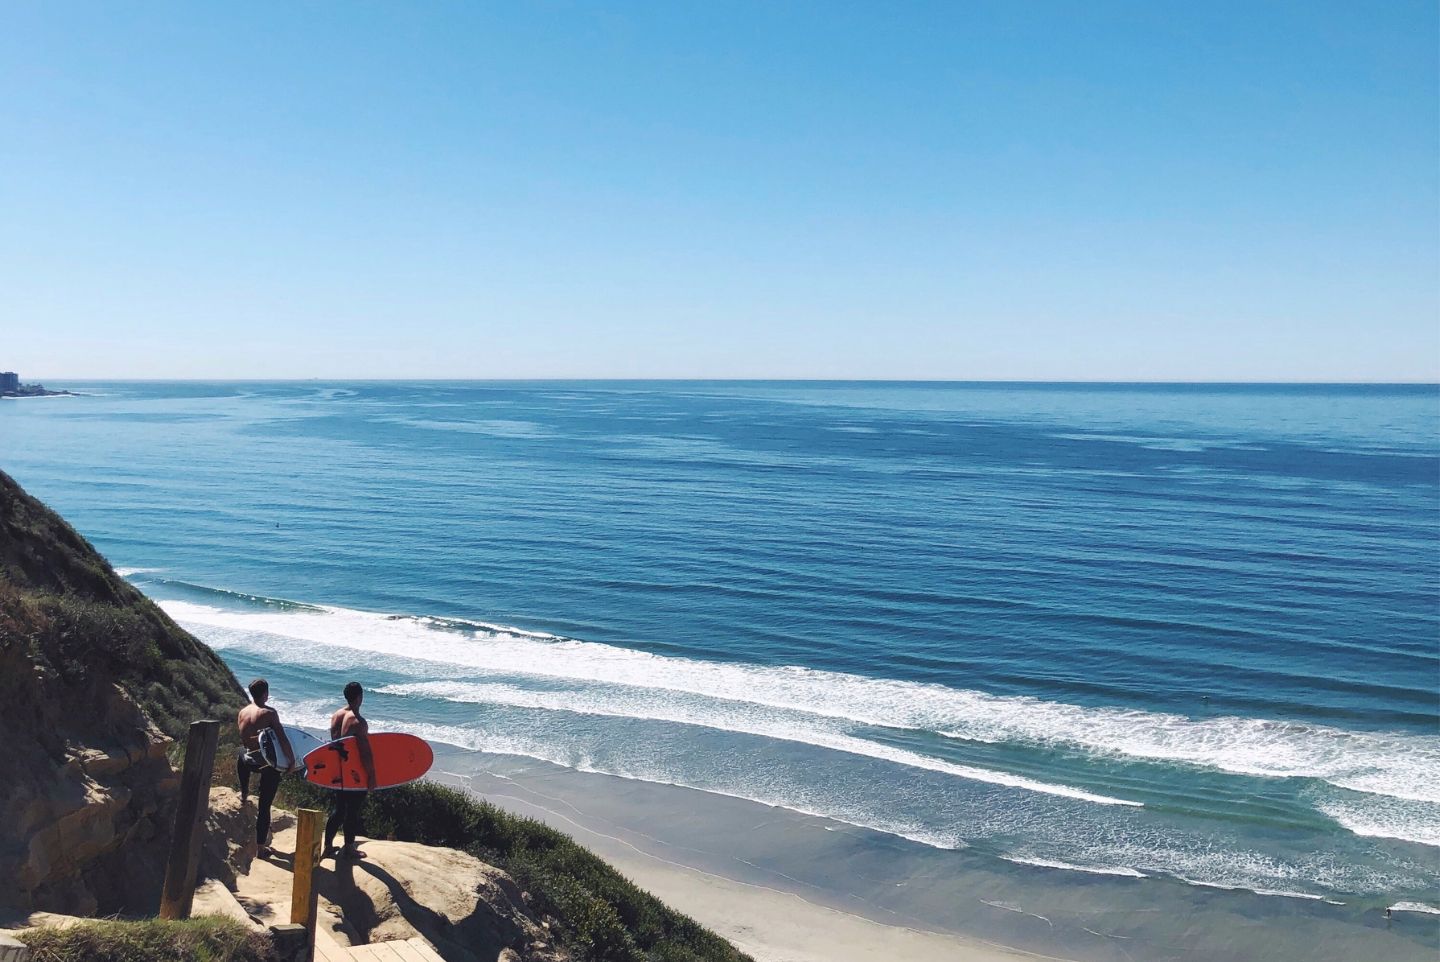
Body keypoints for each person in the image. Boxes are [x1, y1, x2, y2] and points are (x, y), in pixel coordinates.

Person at [235, 678, 296, 858]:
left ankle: (244, 793)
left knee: (240, 752)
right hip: (264, 763)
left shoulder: (243, 711)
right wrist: (291, 761)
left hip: (247, 758)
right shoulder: (269, 713)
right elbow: (282, 738)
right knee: (265, 805)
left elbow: (244, 737)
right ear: (265, 694)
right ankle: (261, 849)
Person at [324, 681, 377, 860]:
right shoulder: (359, 722)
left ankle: (328, 846)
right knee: (352, 810)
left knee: (339, 810)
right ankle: (348, 847)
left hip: (338, 769)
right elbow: (364, 753)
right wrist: (371, 774)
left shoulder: (336, 715)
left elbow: (335, 744)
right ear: (360, 697)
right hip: (354, 772)